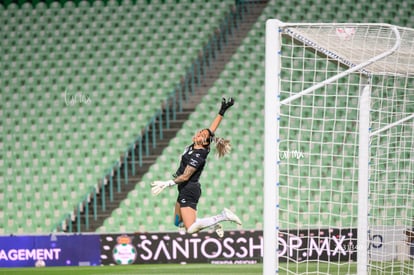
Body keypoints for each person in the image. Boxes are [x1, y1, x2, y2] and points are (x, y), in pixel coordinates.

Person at [151, 97, 242, 237]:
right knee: (177, 222)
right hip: (183, 188)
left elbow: (186, 176)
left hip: (189, 189)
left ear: (204, 142)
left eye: (202, 135)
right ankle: (212, 223)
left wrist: (166, 183)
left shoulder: (199, 155)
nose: (199, 133)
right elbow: (211, 130)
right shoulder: (196, 145)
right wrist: (222, 111)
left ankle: (222, 216)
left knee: (190, 228)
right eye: (201, 132)